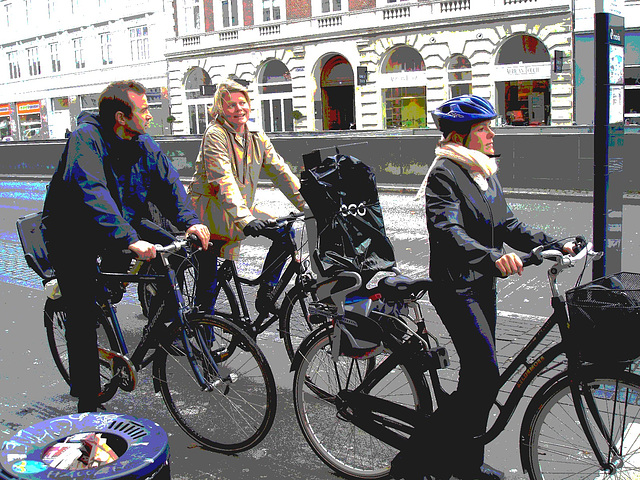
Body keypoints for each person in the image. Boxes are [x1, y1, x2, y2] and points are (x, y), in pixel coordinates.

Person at [391, 95, 574, 480]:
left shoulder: (483, 171)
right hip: (456, 289)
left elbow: (509, 226)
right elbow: (447, 231)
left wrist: (554, 243)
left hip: (482, 286)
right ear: (461, 136)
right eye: (483, 128)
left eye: (491, 126)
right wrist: (492, 257)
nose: (492, 132)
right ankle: (411, 460)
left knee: (478, 382)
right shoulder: (445, 172)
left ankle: (464, 463)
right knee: (485, 376)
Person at [41, 80, 210, 413]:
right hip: (72, 232)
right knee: (82, 310)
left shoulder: (141, 142)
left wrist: (189, 222)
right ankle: (88, 400)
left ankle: (160, 323)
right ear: (121, 116)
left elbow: (168, 183)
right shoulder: (85, 141)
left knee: (177, 250)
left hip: (122, 221)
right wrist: (131, 240)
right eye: (144, 110)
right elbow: (93, 193)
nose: (149, 115)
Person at [188, 79, 305, 316]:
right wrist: (246, 220)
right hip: (210, 214)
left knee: (284, 233)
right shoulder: (215, 134)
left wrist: (309, 205)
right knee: (208, 282)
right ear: (220, 109)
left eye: (243, 103)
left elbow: (280, 171)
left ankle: (267, 292)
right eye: (231, 105)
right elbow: (223, 180)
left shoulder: (255, 134)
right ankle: (203, 340)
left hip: (238, 210)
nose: (239, 109)